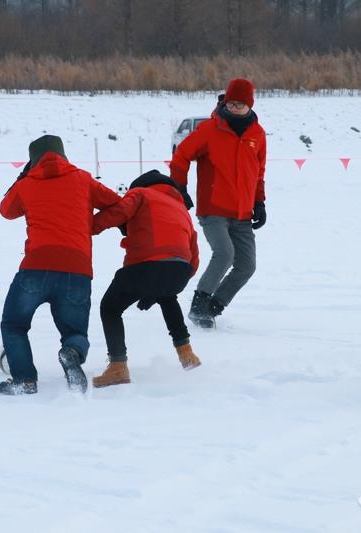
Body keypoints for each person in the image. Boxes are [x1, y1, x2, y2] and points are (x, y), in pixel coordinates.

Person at [0, 134, 121, 395]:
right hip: (77, 269)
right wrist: (91, 226)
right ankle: (72, 352)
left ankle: (25, 381)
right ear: (63, 155)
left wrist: (22, 178)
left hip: (35, 267)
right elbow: (116, 204)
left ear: (32, 161)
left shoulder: (27, 183)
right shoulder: (84, 179)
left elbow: (6, 210)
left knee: (14, 324)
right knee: (74, 329)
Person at [90, 170, 201, 388]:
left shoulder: (140, 194)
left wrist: (86, 227)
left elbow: (119, 212)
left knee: (110, 308)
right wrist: (168, 282)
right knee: (168, 297)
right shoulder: (181, 209)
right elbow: (194, 252)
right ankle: (187, 354)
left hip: (146, 267)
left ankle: (118, 366)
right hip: (180, 271)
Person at [170, 77, 267, 328]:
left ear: (250, 105)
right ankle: (198, 305)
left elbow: (259, 172)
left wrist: (260, 203)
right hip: (213, 209)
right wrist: (180, 188)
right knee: (224, 254)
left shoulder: (257, 134)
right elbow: (181, 156)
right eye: (231, 103)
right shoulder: (210, 130)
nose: (234, 108)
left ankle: (213, 307)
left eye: (239, 104)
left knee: (246, 265)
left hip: (243, 213)